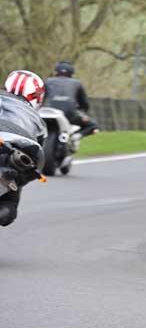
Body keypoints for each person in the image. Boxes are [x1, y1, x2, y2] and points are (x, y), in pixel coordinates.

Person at [0, 70, 47, 227]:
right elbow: (39, 160)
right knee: (12, 200)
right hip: (18, 154)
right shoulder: (38, 120)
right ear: (37, 96)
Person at [43, 61, 98, 137]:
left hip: (47, 113)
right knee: (93, 125)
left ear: (56, 71)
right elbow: (84, 103)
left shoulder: (48, 81)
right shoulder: (77, 83)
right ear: (71, 72)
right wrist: (83, 111)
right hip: (69, 114)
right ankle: (76, 136)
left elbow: (41, 98)